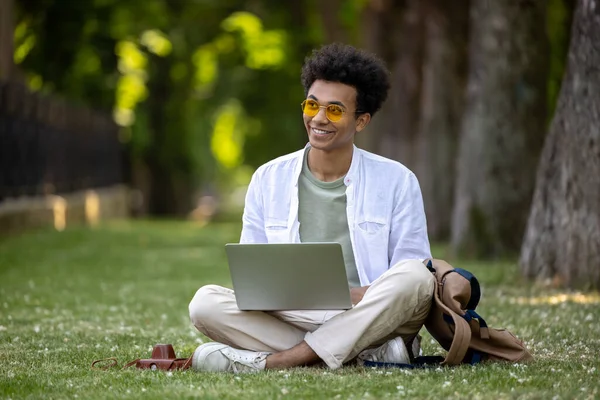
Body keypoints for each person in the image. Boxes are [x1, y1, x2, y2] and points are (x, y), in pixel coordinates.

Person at [188, 43, 434, 373]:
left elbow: (411, 269)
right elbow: (255, 275)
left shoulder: (397, 180)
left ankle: (283, 360)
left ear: (360, 121)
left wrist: (357, 297)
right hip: (296, 313)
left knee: (417, 278)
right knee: (205, 303)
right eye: (312, 104)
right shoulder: (267, 178)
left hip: (374, 315)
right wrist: (297, 301)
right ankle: (356, 353)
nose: (318, 118)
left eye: (334, 110)